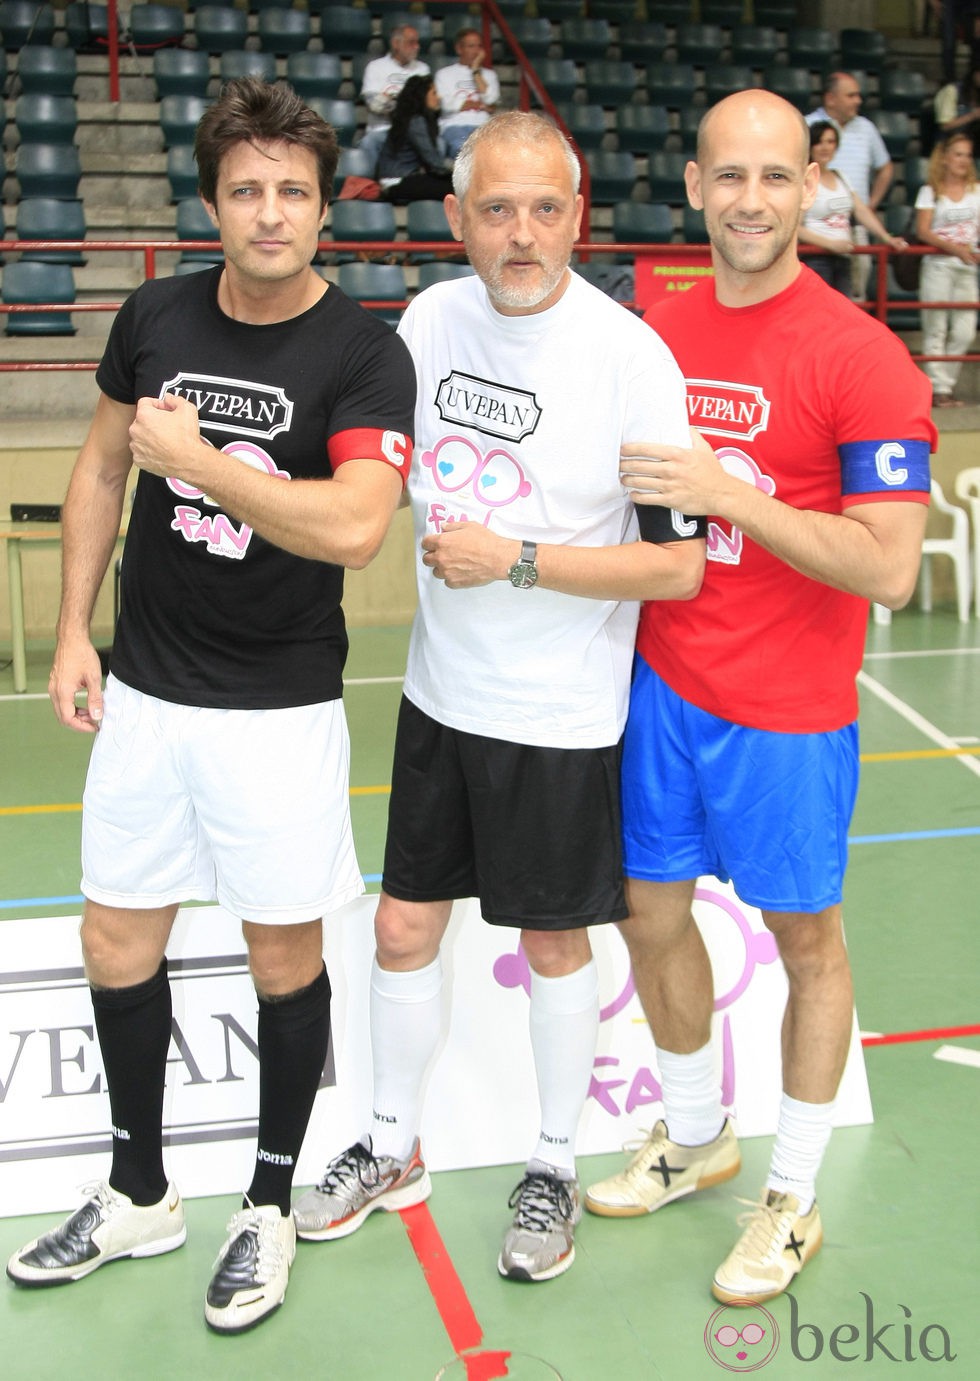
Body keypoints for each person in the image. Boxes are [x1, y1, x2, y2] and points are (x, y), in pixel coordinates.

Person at [4, 78, 416, 1334]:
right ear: (214, 199)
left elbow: (354, 527)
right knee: (114, 943)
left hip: (277, 713)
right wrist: (74, 628)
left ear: (324, 203)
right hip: (144, 693)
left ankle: (270, 1204)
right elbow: (94, 464)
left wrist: (202, 471)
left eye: (293, 190)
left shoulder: (360, 350)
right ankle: (139, 1191)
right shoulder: (155, 312)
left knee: (279, 958)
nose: (270, 212)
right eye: (247, 190)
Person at [294, 111, 706, 1284]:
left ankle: (551, 1161)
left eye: (543, 209)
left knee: (550, 939)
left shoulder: (630, 357)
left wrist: (516, 558)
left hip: (560, 714)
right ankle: (387, 1143)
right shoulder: (426, 322)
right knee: (399, 925)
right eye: (494, 209)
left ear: (577, 215)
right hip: (440, 694)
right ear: (456, 218)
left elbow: (675, 565)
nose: (520, 234)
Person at [584, 90, 936, 1307]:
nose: (748, 200)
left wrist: (733, 499)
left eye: (775, 178)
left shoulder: (859, 355)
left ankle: (788, 1193)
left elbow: (888, 565)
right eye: (727, 177)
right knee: (646, 909)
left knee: (805, 942)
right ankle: (693, 1132)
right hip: (661, 683)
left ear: (811, 189)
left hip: (786, 709)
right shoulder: (649, 331)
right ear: (691, 186)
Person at [806, 72, 894, 299]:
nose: (858, 101)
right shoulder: (805, 125)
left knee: (853, 299)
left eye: (831, 142)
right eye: (851, 95)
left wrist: (881, 226)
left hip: (851, 232)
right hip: (814, 246)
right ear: (831, 98)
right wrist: (827, 243)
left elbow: (884, 169)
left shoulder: (865, 129)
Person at [799, 120, 908, 295]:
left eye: (831, 141)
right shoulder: (804, 179)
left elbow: (861, 211)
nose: (825, 147)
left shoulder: (841, 176)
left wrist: (886, 238)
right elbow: (796, 228)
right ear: (810, 146)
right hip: (816, 258)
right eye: (820, 142)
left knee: (842, 315)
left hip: (844, 257)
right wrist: (830, 244)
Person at [914, 132, 980, 406]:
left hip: (967, 268)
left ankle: (946, 384)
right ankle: (939, 390)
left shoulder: (977, 190)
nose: (963, 160)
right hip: (939, 267)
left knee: (965, 330)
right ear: (945, 158)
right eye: (957, 154)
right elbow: (923, 231)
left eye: (967, 154)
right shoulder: (930, 191)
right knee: (936, 327)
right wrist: (955, 249)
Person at [359, 23, 430, 169]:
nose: (417, 47)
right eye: (411, 42)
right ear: (396, 43)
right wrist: (406, 104)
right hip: (382, 129)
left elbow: (425, 106)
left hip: (413, 132)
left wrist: (390, 98)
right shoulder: (376, 67)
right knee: (369, 142)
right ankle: (372, 189)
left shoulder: (423, 69)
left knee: (439, 143)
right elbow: (374, 104)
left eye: (417, 42)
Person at [376, 74, 453, 204]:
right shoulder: (416, 122)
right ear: (422, 96)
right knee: (458, 188)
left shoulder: (413, 119)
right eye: (434, 93)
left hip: (405, 178)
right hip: (397, 181)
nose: (438, 97)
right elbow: (434, 161)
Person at [435, 27, 500, 159]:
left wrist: (476, 70)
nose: (476, 51)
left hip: (483, 126)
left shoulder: (489, 75)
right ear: (459, 49)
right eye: (471, 46)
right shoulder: (444, 74)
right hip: (454, 125)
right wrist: (479, 105)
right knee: (463, 149)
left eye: (479, 46)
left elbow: (491, 100)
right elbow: (445, 104)